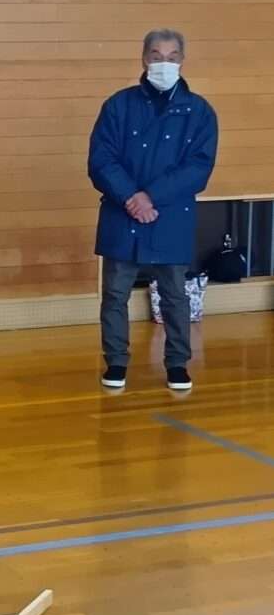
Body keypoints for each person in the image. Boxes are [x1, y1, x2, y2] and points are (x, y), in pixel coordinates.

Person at [89, 29, 218, 391]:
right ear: (144, 58)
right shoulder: (118, 105)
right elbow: (101, 160)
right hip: (122, 213)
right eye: (157, 56)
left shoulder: (199, 111)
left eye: (172, 57)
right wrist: (131, 196)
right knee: (115, 294)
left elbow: (198, 168)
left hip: (170, 216)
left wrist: (150, 197)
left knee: (175, 294)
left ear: (182, 61)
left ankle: (177, 363)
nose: (165, 63)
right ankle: (116, 361)